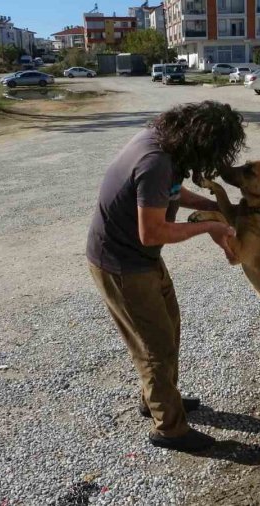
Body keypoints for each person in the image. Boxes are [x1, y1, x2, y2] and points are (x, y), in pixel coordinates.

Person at [86, 101, 246, 452]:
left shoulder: (164, 144)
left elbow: (169, 193)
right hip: (122, 263)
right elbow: (152, 232)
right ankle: (170, 430)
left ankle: (156, 398)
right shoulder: (155, 162)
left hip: (140, 259)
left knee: (169, 327)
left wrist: (209, 206)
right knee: (154, 346)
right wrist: (210, 227)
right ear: (203, 143)